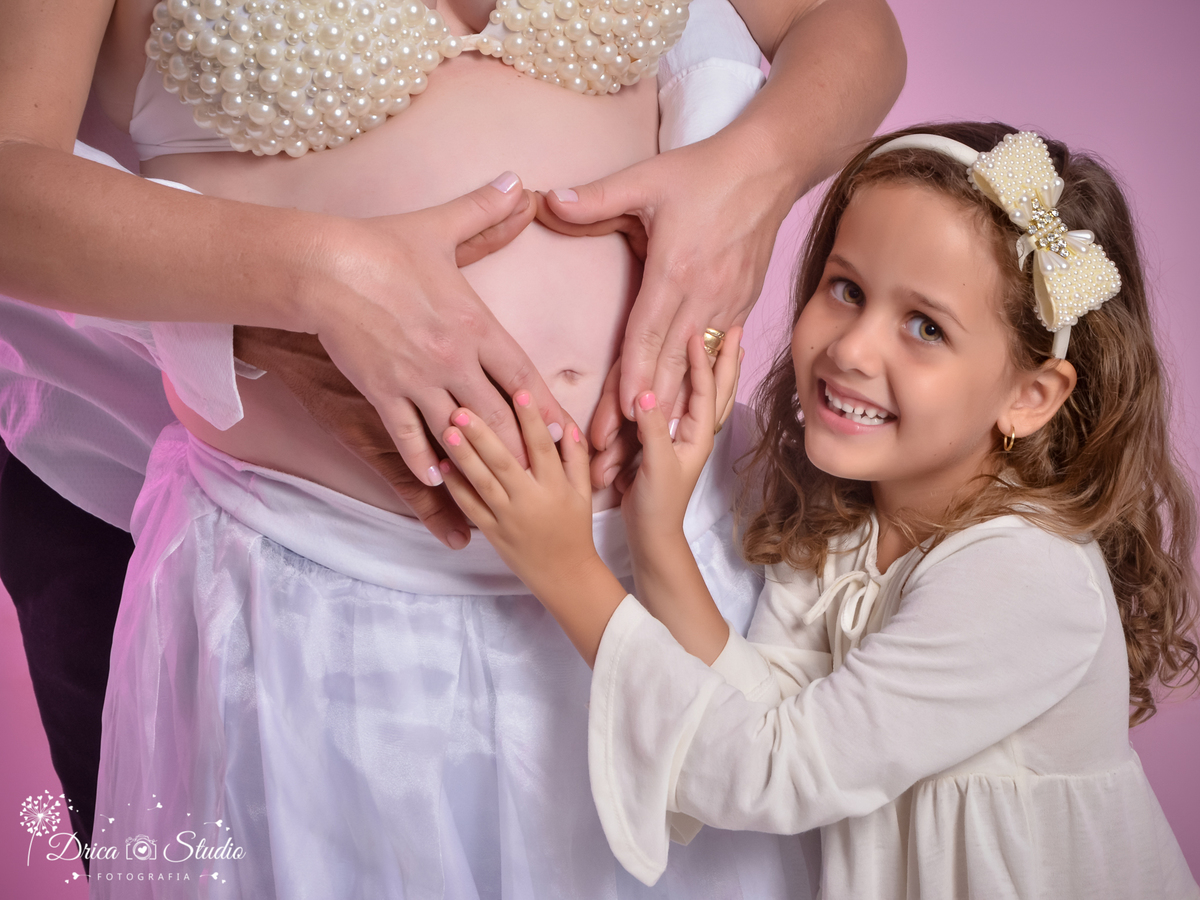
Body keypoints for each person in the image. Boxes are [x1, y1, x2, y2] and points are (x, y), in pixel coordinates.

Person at [0, 0, 904, 895]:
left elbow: (844, 21)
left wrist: (756, 172)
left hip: (680, 575)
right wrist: (314, 279)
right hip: (321, 612)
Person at [437, 122, 1200, 897]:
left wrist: (566, 568)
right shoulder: (857, 525)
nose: (853, 350)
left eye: (925, 327)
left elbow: (773, 771)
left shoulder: (1025, 575)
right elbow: (768, 704)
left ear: (1028, 398)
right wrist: (654, 533)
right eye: (847, 290)